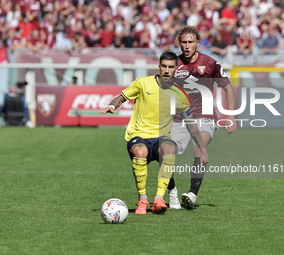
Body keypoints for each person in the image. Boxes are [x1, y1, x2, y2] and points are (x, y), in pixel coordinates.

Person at [100, 52, 209, 215]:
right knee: (141, 152)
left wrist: (202, 148)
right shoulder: (142, 83)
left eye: (170, 67)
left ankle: (159, 199)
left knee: (170, 148)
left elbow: (191, 123)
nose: (166, 70)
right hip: (138, 135)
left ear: (176, 69)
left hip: (161, 138)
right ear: (158, 67)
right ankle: (143, 200)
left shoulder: (180, 95)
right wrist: (113, 106)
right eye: (163, 66)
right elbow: (121, 97)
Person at [167, 26, 237, 210]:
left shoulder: (210, 63)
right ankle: (172, 192)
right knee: (165, 152)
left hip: (204, 116)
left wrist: (231, 115)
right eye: (184, 42)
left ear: (198, 42)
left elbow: (228, 87)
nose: (187, 45)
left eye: (191, 42)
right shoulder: (173, 64)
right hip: (179, 118)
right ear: (179, 43)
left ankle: (191, 194)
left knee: (200, 147)